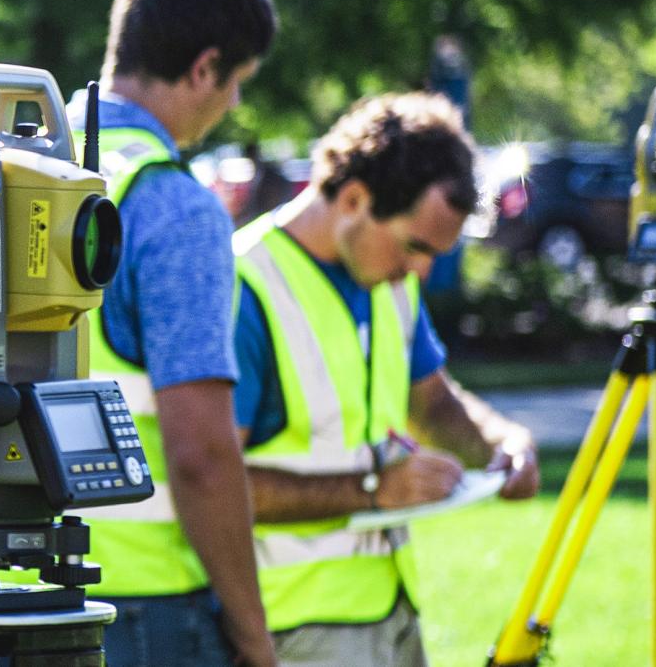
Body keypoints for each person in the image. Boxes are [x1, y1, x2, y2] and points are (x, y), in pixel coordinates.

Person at [231, 93, 539, 666]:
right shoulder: (244, 288)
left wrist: (500, 442)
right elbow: (215, 482)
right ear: (353, 198)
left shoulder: (389, 280)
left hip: (391, 609)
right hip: (293, 629)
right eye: (415, 246)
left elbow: (434, 404)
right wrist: (374, 490)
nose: (422, 271)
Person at [64, 0, 281, 667]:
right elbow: (202, 456)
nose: (233, 102)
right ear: (203, 66)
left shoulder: (8, 159)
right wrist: (254, 639)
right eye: (235, 80)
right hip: (139, 615)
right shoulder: (173, 206)